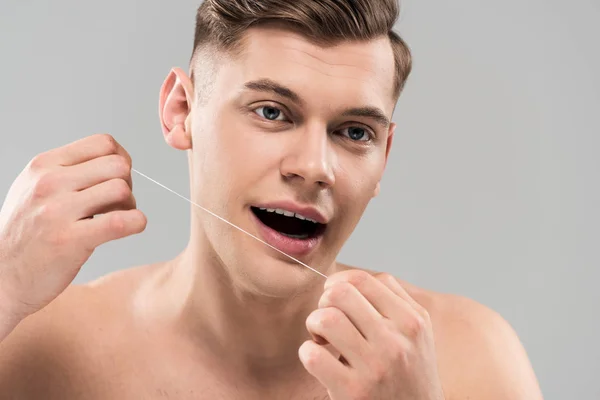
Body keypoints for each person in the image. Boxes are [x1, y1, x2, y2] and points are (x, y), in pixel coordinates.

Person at [0, 0, 544, 398]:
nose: (313, 167)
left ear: (385, 156)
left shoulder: (474, 361)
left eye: (354, 132)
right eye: (271, 112)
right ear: (180, 111)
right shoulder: (37, 351)